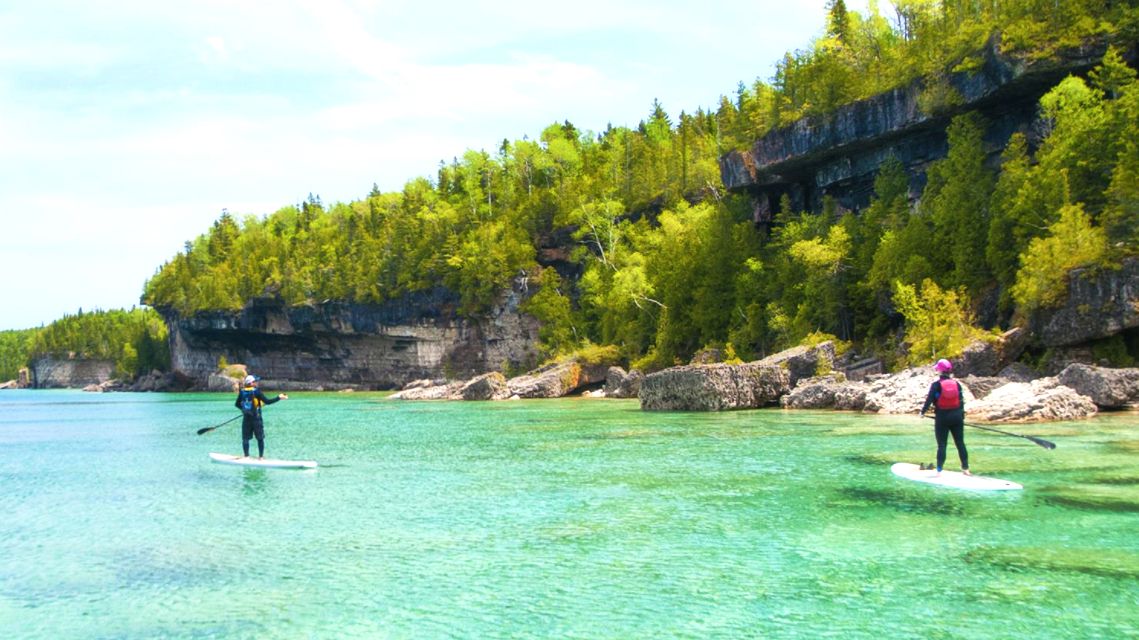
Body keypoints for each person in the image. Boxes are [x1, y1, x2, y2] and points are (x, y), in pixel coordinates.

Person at [919, 358, 969, 476]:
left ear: (939, 371)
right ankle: (966, 469)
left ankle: (939, 471)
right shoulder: (957, 384)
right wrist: (961, 417)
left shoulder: (936, 385)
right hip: (957, 417)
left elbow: (930, 400)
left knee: (942, 445)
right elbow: (961, 402)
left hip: (942, 418)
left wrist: (922, 412)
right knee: (960, 443)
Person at [235, 374, 287, 459]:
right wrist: (279, 397)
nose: (257, 383)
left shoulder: (242, 392)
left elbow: (237, 404)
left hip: (246, 418)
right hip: (256, 418)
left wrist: (244, 411)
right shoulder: (256, 391)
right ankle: (261, 457)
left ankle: (246, 456)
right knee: (260, 438)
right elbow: (268, 401)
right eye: (255, 381)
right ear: (251, 383)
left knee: (245, 439)